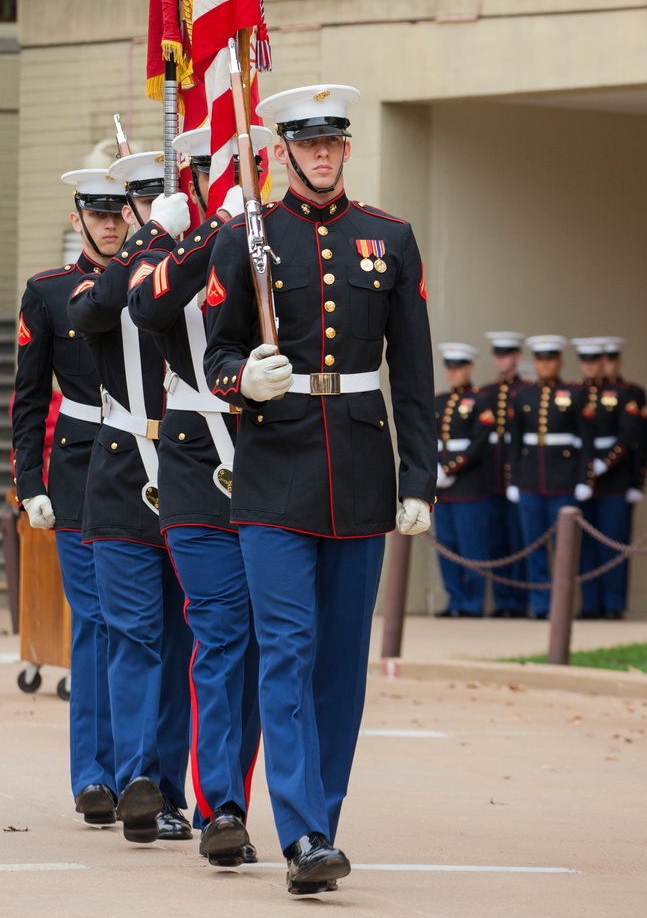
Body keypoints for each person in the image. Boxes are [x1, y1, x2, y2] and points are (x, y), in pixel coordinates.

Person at [203, 83, 437, 897]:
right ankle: (300, 828)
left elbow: (412, 373)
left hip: (363, 472)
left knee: (340, 665)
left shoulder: (390, 239)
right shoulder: (246, 238)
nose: (325, 155)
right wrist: (244, 380)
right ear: (284, 151)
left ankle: (321, 827)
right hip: (275, 471)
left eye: (335, 142)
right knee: (288, 653)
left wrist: (421, 477)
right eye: (310, 144)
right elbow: (215, 354)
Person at [127, 124, 270, 869]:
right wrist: (189, 231)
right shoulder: (164, 243)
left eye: (235, 168)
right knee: (220, 633)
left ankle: (232, 796)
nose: (221, 179)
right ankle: (221, 806)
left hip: (268, 456)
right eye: (209, 169)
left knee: (258, 644)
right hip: (191, 456)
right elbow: (146, 308)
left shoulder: (269, 236)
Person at [69, 150, 193, 846]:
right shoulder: (94, 283)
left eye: (143, 206)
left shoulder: (186, 263)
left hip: (187, 465)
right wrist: (152, 239)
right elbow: (102, 307)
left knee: (181, 641)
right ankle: (136, 778)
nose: (129, 219)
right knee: (133, 637)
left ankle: (168, 790)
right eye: (126, 208)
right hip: (121, 472)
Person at [11, 167, 127, 827]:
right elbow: (29, 399)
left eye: (120, 213)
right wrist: (31, 482)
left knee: (143, 624)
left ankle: (144, 771)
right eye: (98, 213)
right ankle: (93, 774)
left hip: (147, 465)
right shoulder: (49, 294)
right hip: (79, 468)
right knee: (96, 622)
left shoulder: (147, 283)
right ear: (79, 216)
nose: (110, 224)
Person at [506, 336, 593, 621]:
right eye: (540, 360)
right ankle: (540, 605)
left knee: (565, 548)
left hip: (564, 481)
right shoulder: (523, 395)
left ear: (559, 362)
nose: (545, 365)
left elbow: (586, 440)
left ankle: (564, 604)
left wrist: (584, 478)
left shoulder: (575, 394)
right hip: (531, 481)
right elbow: (514, 443)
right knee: (534, 546)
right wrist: (514, 481)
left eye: (550, 359)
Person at [574, 337, 645, 620]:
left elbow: (631, 437)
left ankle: (613, 604)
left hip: (613, 480)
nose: (592, 367)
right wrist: (584, 470)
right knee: (585, 546)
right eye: (586, 361)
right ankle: (590, 603)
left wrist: (606, 465)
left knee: (613, 544)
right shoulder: (576, 393)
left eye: (597, 360)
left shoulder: (624, 393)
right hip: (583, 480)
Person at [433, 343, 491, 619]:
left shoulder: (480, 401)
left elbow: (480, 442)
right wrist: (433, 468)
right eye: (449, 367)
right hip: (441, 488)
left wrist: (450, 469)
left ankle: (473, 602)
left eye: (458, 367)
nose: (452, 372)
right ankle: (455, 599)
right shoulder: (439, 401)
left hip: (468, 484)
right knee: (447, 545)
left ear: (469, 368)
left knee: (472, 546)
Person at [474, 332, 528, 617]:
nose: (501, 360)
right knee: (495, 542)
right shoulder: (485, 393)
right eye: (497, 355)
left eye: (506, 355)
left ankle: (520, 601)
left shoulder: (526, 391)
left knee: (519, 540)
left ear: (517, 357)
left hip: (518, 477)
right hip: (491, 478)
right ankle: (502, 600)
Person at [602, 337, 647, 502]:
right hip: (585, 478)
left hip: (620, 475)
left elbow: (641, 438)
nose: (604, 365)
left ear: (618, 361)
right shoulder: (582, 392)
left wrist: (638, 482)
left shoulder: (631, 393)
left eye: (609, 360)